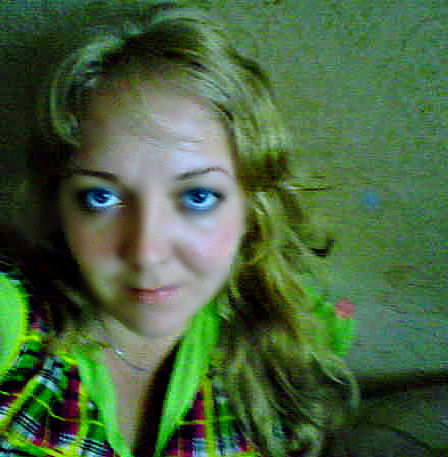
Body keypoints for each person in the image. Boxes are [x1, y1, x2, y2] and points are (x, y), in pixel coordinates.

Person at [0, 2, 360, 456]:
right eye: (101, 197)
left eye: (197, 197)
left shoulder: (292, 337)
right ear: (59, 207)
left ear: (252, 209)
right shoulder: (13, 322)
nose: (147, 253)